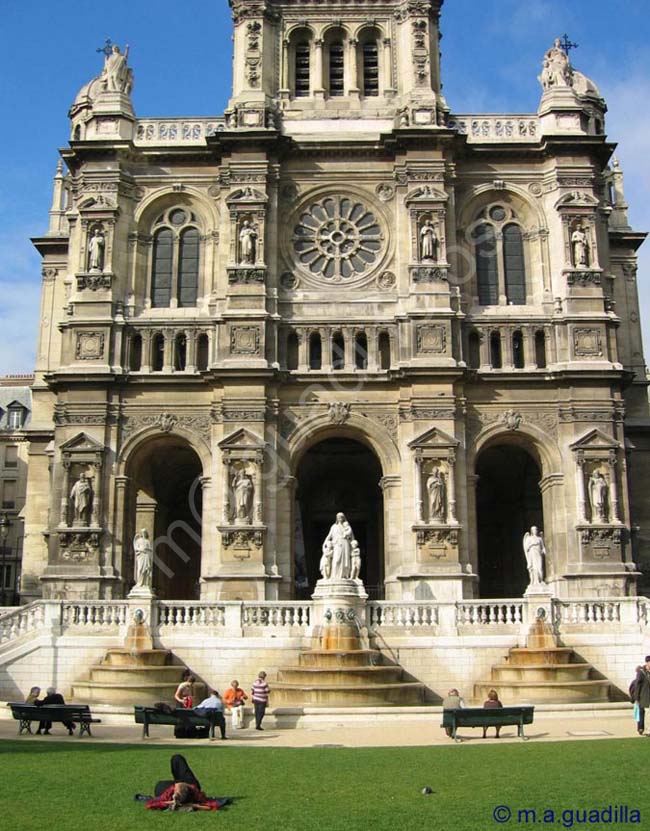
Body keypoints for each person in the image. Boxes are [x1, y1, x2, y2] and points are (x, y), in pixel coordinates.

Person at [143, 754, 223, 811]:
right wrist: (193, 805)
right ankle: (181, 787)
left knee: (159, 786)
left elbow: (150, 804)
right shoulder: (195, 791)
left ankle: (178, 788)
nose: (178, 784)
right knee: (177, 758)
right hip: (189, 785)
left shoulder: (168, 794)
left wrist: (169, 802)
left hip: (167, 790)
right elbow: (211, 806)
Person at [324, 512, 356, 580]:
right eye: (339, 517)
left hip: (345, 544)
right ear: (337, 518)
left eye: (341, 517)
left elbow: (352, 537)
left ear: (343, 518)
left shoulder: (346, 526)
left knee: (346, 561)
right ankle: (335, 576)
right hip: (337, 544)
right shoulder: (334, 526)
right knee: (336, 560)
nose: (340, 518)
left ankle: (344, 575)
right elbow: (329, 535)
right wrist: (324, 543)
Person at [632, 657, 650, 736]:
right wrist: (636, 698)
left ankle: (644, 729)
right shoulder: (641, 672)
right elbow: (637, 686)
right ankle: (644, 729)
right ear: (647, 662)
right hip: (644, 696)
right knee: (646, 713)